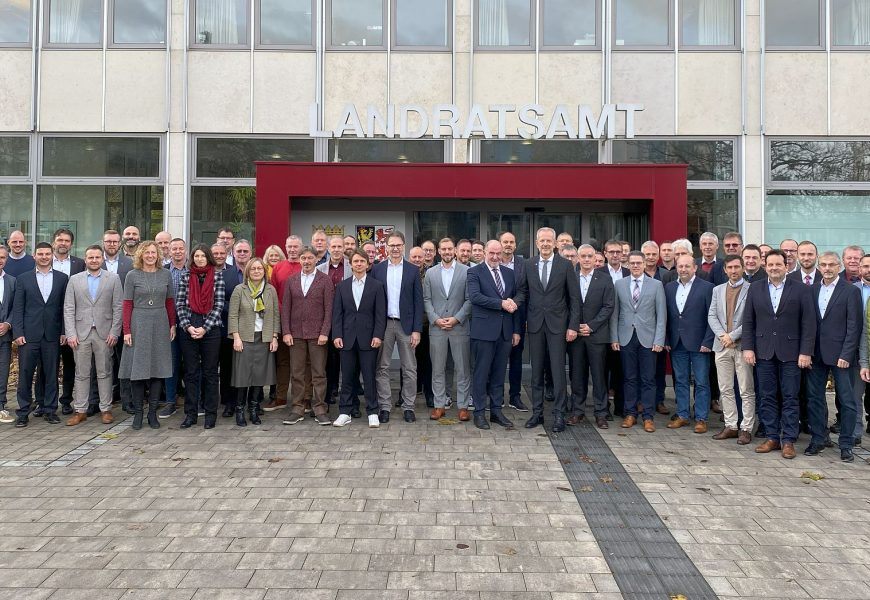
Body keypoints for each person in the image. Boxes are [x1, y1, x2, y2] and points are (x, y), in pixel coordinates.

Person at [743, 250, 816, 459]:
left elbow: (809, 324)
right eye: (771, 265)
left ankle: (789, 440)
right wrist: (748, 347)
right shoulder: (755, 288)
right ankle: (772, 437)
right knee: (766, 396)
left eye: (778, 265)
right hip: (763, 351)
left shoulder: (802, 289)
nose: (774, 268)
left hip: (792, 354)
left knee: (790, 397)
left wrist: (805, 352)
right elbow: (748, 320)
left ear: (786, 266)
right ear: (765, 266)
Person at [518, 227, 581, 432]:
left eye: (549, 241)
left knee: (557, 371)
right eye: (541, 241)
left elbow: (574, 299)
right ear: (536, 243)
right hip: (535, 324)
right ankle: (537, 413)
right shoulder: (528, 264)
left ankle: (559, 414)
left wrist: (572, 326)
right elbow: (524, 293)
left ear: (555, 244)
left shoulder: (565, 265)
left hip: (558, 326)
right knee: (536, 372)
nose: (545, 244)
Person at [804, 251, 861, 462]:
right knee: (815, 398)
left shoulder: (850, 292)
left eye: (831, 265)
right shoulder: (812, 290)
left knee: (847, 401)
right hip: (815, 355)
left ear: (839, 267)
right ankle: (818, 439)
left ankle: (846, 444)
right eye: (824, 265)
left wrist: (847, 354)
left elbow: (854, 327)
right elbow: (807, 324)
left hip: (841, 356)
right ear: (819, 267)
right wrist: (807, 351)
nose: (827, 268)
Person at [63, 245, 123, 426]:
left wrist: (114, 331)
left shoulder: (113, 279)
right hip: (81, 334)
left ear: (102, 259)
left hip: (104, 334)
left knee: (105, 372)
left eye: (97, 257)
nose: (94, 260)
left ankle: (106, 409)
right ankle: (80, 410)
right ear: (85, 259)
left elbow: (118, 307)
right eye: (91, 257)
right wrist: (70, 333)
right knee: (81, 373)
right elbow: (69, 308)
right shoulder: (74, 280)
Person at [120, 241, 176, 430]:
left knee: (157, 368)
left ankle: (152, 413)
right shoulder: (131, 275)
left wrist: (172, 324)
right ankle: (138, 414)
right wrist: (126, 330)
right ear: (141, 255)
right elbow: (127, 304)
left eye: (154, 253)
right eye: (147, 253)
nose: (151, 256)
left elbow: (170, 302)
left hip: (160, 322)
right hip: (139, 322)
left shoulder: (166, 274)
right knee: (138, 370)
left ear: (158, 255)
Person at [10, 242, 68, 427]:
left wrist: (64, 331)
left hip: (52, 335)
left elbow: (64, 308)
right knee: (26, 375)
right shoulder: (23, 279)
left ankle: (50, 410)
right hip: (28, 335)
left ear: (52, 255)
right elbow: (18, 309)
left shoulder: (62, 278)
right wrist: (18, 332)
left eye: (47, 253)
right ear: (34, 256)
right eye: (40, 254)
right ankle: (23, 412)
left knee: (51, 374)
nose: (44, 256)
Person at [467, 240, 521, 430]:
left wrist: (515, 330)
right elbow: (475, 297)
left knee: (499, 374)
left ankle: (497, 411)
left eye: (498, 253)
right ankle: (479, 412)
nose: (496, 257)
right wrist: (501, 304)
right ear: (484, 252)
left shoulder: (509, 273)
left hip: (505, 332)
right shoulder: (474, 272)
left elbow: (514, 300)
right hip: (483, 332)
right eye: (492, 253)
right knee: (481, 373)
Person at [610, 251, 666, 433]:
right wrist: (614, 337)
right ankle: (630, 414)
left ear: (644, 264)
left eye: (638, 263)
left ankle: (648, 417)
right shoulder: (619, 284)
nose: (635, 266)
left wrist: (659, 339)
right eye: (632, 263)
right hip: (626, 337)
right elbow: (615, 314)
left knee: (648, 379)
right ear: (628, 265)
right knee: (629, 378)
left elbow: (661, 315)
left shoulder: (656, 285)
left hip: (648, 339)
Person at [371, 231, 423, 423]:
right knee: (382, 367)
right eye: (391, 245)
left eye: (398, 245)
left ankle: (408, 407)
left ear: (403, 246)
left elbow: (418, 302)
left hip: (406, 326)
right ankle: (385, 406)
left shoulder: (412, 270)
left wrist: (417, 329)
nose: (394, 248)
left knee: (409, 368)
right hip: (384, 324)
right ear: (386, 247)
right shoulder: (377, 269)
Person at [331, 249, 386, 428]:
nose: (359, 264)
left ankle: (372, 412)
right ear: (351, 264)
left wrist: (378, 335)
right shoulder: (342, 286)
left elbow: (380, 314)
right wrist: (337, 335)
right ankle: (345, 412)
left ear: (368, 264)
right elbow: (337, 314)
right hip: (346, 338)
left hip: (369, 338)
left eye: (362, 261)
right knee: (346, 377)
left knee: (369, 377)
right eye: (356, 261)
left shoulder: (376, 286)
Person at [281, 246, 334, 425]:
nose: (306, 261)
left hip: (317, 334)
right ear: (300, 260)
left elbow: (329, 310)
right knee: (297, 373)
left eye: (310, 258)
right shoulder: (291, 280)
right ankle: (297, 408)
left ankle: (319, 407)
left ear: (316, 259)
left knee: (318, 373)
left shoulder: (324, 280)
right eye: (303, 258)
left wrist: (325, 332)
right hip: (295, 334)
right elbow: (286, 308)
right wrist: (286, 331)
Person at [175, 244, 225, 429]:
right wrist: (188, 327)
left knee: (211, 373)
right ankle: (191, 414)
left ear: (209, 258)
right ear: (192, 258)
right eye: (196, 256)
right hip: (188, 328)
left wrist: (204, 328)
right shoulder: (186, 277)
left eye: (203, 256)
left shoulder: (217, 276)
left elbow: (219, 305)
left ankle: (210, 414)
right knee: (190, 373)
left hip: (211, 330)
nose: (200, 259)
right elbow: (180, 304)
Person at [664, 254, 714, 433]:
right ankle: (683, 415)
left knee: (701, 382)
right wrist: (667, 339)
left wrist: (708, 341)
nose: (683, 269)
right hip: (677, 343)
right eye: (680, 266)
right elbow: (667, 316)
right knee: (681, 381)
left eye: (687, 266)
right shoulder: (669, 288)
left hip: (700, 343)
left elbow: (712, 316)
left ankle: (701, 418)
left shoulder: (707, 288)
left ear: (695, 268)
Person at [423, 238, 472, 421]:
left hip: (459, 327)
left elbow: (470, 299)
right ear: (438, 251)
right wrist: (435, 319)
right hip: (437, 329)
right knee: (438, 369)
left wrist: (456, 318)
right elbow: (426, 299)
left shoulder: (467, 272)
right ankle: (439, 405)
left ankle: (463, 406)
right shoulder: (431, 273)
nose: (447, 252)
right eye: (443, 249)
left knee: (462, 368)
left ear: (455, 251)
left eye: (450, 249)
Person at [708, 255, 755, 444]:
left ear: (743, 268)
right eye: (730, 267)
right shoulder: (717, 290)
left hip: (742, 346)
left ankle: (746, 428)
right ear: (725, 270)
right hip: (721, 346)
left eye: (737, 267)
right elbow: (711, 315)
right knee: (725, 388)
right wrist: (722, 335)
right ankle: (731, 425)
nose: (734, 270)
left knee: (746, 389)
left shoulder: (752, 290)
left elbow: (751, 319)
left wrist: (732, 336)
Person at [229, 257, 279, 427]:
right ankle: (240, 410)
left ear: (264, 271)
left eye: (260, 269)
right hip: (245, 338)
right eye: (253, 269)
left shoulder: (270, 290)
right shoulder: (240, 289)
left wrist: (274, 337)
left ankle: (253, 409)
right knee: (243, 377)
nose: (257, 271)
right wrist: (236, 337)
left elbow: (275, 315)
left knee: (259, 376)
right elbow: (233, 315)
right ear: (247, 272)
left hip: (263, 338)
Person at [568, 244, 614, 429]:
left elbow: (608, 306)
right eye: (583, 256)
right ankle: (577, 411)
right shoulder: (570, 278)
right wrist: (575, 326)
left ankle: (601, 413)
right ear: (578, 258)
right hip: (576, 335)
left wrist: (591, 326)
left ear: (596, 259)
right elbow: (567, 304)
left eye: (590, 256)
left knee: (599, 376)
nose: (586, 260)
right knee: (577, 375)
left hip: (597, 335)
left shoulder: (605, 279)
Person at [50, 228, 85, 416]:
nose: (63, 243)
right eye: (59, 240)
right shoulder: (44, 260)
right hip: (49, 323)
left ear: (71, 244)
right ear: (54, 241)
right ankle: (45, 402)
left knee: (71, 365)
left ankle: (66, 401)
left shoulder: (80, 264)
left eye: (66, 240)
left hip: (73, 323)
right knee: (48, 365)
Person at [267, 235, 303, 411]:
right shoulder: (278, 267)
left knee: (302, 362)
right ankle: (280, 397)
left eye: (296, 246)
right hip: (282, 320)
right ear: (285, 247)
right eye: (289, 246)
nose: (292, 249)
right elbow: (273, 294)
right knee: (282, 362)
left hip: (302, 322)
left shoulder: (306, 266)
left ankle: (303, 398)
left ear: (301, 247)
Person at [318, 236, 352, 411]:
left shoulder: (352, 267)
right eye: (334, 246)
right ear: (328, 248)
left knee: (346, 358)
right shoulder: (320, 269)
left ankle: (348, 394)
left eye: (340, 246)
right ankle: (330, 391)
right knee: (328, 360)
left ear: (344, 247)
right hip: (326, 320)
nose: (337, 249)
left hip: (347, 320)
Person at [102, 229, 134, 411]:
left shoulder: (129, 263)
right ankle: (99, 400)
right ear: (103, 242)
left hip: (123, 320)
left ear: (120, 243)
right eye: (108, 241)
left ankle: (126, 399)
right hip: (100, 320)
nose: (112, 244)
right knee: (101, 361)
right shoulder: (94, 261)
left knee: (124, 361)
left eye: (115, 241)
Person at [499, 231, 529, 413]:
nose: (508, 245)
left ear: (515, 245)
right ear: (499, 244)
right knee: (497, 359)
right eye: (505, 242)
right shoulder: (492, 262)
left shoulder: (523, 265)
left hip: (516, 316)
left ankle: (515, 396)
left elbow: (524, 290)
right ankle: (496, 395)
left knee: (516, 359)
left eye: (511, 242)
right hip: (496, 317)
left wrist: (512, 304)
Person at [212, 243, 241, 417]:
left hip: (228, 327)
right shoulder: (204, 270)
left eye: (222, 253)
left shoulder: (232, 272)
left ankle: (228, 401)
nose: (219, 255)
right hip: (208, 327)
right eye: (215, 253)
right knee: (209, 368)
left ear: (228, 254)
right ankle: (209, 401)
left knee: (228, 367)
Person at [159, 237, 187, 418]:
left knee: (192, 363)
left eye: (180, 248)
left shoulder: (193, 270)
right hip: (168, 322)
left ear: (185, 250)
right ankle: (170, 401)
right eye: (173, 248)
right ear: (169, 251)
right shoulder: (163, 272)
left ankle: (194, 400)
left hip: (190, 322)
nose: (177, 251)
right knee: (171, 363)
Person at [0, 247, 16, 424]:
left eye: (3, 257)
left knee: (3, 372)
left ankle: (1, 406)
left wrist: (8, 324)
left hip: (4, 336)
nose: (0, 260)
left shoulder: (12, 281)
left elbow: (15, 307)